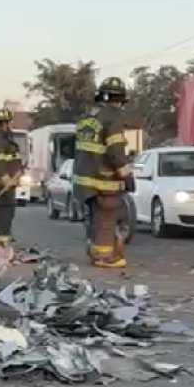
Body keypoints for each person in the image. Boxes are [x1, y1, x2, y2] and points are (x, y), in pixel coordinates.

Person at [74, 77, 134, 268]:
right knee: (106, 218)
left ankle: (95, 252)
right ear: (120, 100)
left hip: (83, 180)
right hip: (103, 180)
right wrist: (127, 175)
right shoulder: (112, 118)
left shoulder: (87, 117)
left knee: (94, 218)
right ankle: (105, 258)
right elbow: (115, 152)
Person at [0, 107, 24, 253]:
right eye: (10, 122)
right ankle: (1, 242)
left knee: (9, 211)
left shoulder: (6, 138)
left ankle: (4, 238)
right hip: (3, 183)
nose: (11, 125)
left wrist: (18, 172)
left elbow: (13, 158)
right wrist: (5, 178)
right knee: (4, 212)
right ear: (4, 123)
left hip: (10, 182)